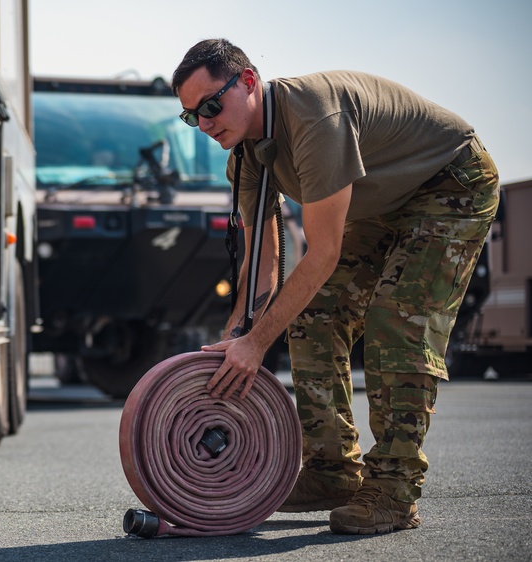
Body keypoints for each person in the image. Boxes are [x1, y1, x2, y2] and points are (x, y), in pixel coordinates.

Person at [171, 38, 499, 535]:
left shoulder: (314, 121)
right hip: (383, 202)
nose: (206, 123)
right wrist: (237, 337)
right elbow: (263, 259)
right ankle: (332, 470)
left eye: (211, 106)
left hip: (449, 182)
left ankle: (393, 491)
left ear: (248, 81)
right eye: (192, 117)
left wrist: (258, 344)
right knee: (313, 315)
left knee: (396, 321)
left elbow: (321, 253)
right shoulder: (246, 155)